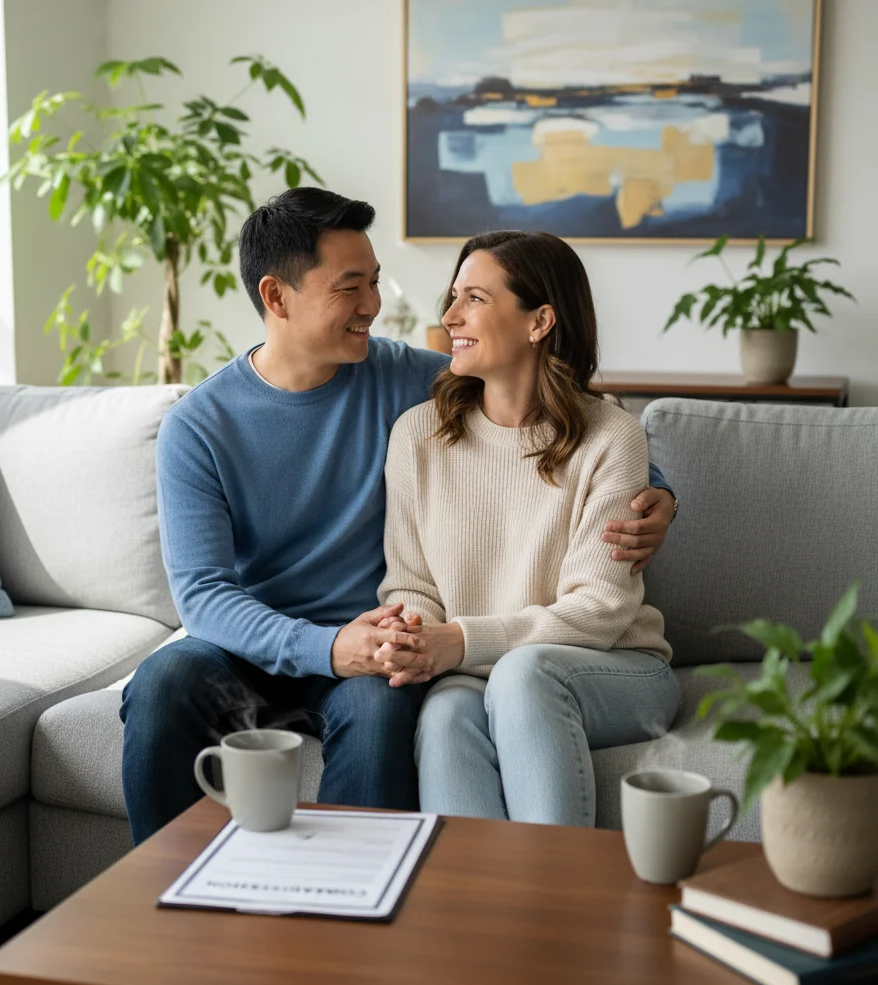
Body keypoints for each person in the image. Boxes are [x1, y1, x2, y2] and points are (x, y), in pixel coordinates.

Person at [119, 190, 677, 843]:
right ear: (277, 297)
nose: (373, 306)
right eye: (349, 287)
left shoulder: (406, 379)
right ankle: (163, 895)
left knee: (384, 711)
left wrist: (659, 491)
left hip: (378, 640)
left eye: (375, 282)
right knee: (163, 684)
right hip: (257, 645)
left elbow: (542, 399)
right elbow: (204, 597)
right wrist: (326, 647)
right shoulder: (199, 426)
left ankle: (357, 920)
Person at [375, 230, 681, 826]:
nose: (450, 315)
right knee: (442, 715)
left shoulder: (610, 436)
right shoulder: (418, 434)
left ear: (540, 321)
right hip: (476, 673)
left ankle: (557, 911)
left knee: (523, 674)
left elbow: (600, 609)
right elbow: (411, 585)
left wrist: (461, 640)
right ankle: (476, 914)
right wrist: (412, 634)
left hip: (614, 667)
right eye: (453, 295)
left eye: (476, 299)